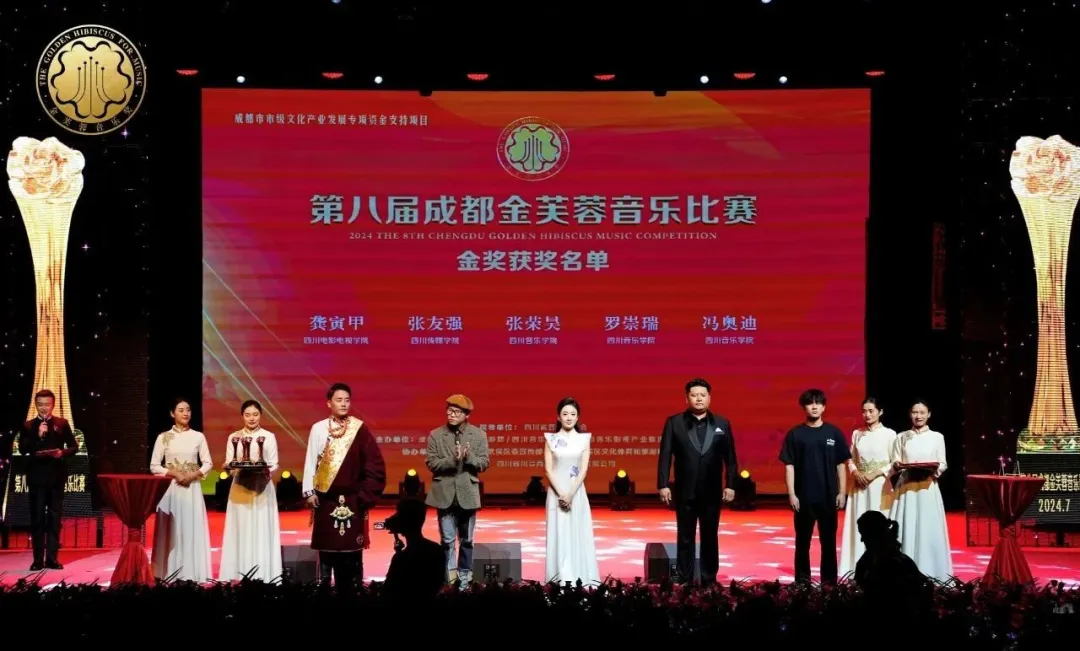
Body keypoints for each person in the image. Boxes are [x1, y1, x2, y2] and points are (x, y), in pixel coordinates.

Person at [302, 382, 386, 590]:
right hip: (325, 499)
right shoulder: (318, 428)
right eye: (339, 400)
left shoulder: (359, 429)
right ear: (329, 403)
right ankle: (324, 589)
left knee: (352, 551)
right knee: (326, 548)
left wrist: (365, 495)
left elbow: (374, 464)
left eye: (347, 400)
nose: (343, 404)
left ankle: (353, 589)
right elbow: (311, 461)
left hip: (353, 500)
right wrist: (309, 491)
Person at [657, 378, 738, 585]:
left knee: (710, 535)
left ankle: (709, 579)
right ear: (687, 398)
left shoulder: (722, 423)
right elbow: (665, 455)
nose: (699, 399)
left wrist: (730, 484)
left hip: (712, 490)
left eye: (703, 395)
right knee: (685, 536)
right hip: (685, 490)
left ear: (709, 398)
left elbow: (730, 458)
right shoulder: (674, 422)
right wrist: (663, 484)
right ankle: (685, 579)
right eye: (694, 395)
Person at [778, 388, 851, 584]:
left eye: (818, 403)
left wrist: (842, 492)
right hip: (803, 497)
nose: (814, 407)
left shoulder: (833, 432)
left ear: (824, 407)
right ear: (804, 407)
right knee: (802, 542)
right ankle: (802, 583)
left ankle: (829, 584)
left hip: (828, 496)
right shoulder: (795, 434)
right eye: (810, 403)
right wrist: (792, 494)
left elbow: (841, 465)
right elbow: (789, 466)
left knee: (829, 542)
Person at [425, 394, 490, 586]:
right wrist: (452, 459)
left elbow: (484, 463)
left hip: (467, 494)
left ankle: (464, 579)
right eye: (449, 410)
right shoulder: (436, 434)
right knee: (447, 540)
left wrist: (469, 458)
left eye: (456, 412)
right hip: (444, 494)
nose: (451, 414)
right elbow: (431, 463)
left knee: (467, 540)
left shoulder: (478, 435)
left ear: (466, 415)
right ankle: (449, 579)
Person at [888, 399, 953, 582]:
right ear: (910, 414)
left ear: (929, 414)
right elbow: (895, 461)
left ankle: (931, 570)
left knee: (928, 526)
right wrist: (897, 465)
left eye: (922, 412)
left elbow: (943, 463)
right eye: (915, 412)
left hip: (927, 488)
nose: (918, 416)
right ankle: (903, 572)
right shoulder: (901, 437)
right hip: (906, 488)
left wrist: (932, 470)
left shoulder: (937, 437)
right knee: (906, 525)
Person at [150, 397, 214, 583]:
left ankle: (192, 573)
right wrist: (174, 473)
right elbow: (154, 466)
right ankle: (167, 572)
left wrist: (193, 475)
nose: (186, 413)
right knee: (171, 529)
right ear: (172, 413)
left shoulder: (198, 437)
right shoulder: (163, 437)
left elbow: (208, 463)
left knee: (191, 528)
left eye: (188, 410)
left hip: (192, 488)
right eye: (181, 410)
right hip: (171, 489)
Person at [218, 399, 283, 583]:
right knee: (241, 529)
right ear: (242, 416)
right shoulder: (234, 437)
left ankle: (264, 573)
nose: (252, 418)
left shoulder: (268, 436)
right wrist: (230, 468)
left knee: (261, 529)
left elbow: (274, 463)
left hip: (262, 488)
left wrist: (266, 470)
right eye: (247, 415)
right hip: (240, 487)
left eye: (255, 414)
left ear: (260, 415)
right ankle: (239, 573)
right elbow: (230, 463)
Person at [17, 389, 78, 571]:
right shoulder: (28, 426)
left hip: (56, 477)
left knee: (54, 518)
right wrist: (38, 435)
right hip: (36, 477)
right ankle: (37, 559)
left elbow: (74, 446)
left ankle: (52, 558)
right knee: (37, 518)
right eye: (40, 404)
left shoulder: (62, 423)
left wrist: (62, 452)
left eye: (47, 404)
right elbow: (22, 450)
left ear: (53, 405)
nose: (44, 408)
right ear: (36, 405)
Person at [544, 397, 601, 586]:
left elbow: (583, 470)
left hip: (576, 493)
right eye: (565, 414)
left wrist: (570, 494)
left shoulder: (584, 439)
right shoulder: (551, 439)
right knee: (558, 533)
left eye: (573, 414)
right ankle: (558, 580)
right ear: (558, 417)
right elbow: (548, 470)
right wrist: (561, 493)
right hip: (556, 493)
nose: (569, 417)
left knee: (578, 533)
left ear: (578, 417)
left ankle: (580, 578)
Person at [839, 397, 898, 578]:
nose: (867, 414)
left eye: (871, 411)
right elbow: (850, 458)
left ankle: (881, 568)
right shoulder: (857, 433)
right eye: (864, 411)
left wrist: (875, 474)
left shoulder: (890, 434)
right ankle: (855, 569)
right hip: (859, 486)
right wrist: (856, 472)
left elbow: (895, 462)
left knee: (880, 524)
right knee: (858, 523)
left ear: (880, 412)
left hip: (880, 485)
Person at [383, 498, 445, 602]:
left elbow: (389, 592)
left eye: (398, 515)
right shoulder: (437, 550)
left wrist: (399, 555)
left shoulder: (401, 559)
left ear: (404, 521)